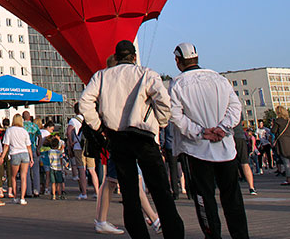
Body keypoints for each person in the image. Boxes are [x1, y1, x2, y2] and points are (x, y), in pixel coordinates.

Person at [77, 39, 183, 239]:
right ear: (134, 57)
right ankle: (174, 232)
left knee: (130, 194)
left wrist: (99, 127)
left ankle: (139, 234)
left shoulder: (101, 76)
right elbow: (163, 101)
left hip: (117, 138)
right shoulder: (146, 73)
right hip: (144, 137)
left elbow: (85, 103)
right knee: (161, 191)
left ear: (115, 58)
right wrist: (160, 121)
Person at [167, 41, 249, 239]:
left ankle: (212, 235)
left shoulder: (177, 84)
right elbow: (235, 108)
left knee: (205, 199)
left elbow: (176, 116)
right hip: (225, 148)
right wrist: (222, 128)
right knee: (233, 198)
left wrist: (200, 132)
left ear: (178, 61)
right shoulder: (219, 79)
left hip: (198, 150)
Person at [4, 113, 32, 204]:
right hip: (24, 153)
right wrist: (31, 158)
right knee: (24, 176)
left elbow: (6, 145)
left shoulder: (9, 130)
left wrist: (2, 156)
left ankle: (15, 196)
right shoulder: (24, 131)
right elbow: (29, 146)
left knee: (13, 176)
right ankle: (22, 198)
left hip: (14, 153)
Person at [66, 103, 89, 200]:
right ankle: (97, 190)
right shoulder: (88, 118)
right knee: (92, 170)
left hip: (78, 146)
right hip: (89, 147)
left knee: (81, 169)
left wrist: (70, 143)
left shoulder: (73, 120)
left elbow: (68, 131)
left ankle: (84, 192)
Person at [272, 106, 290, 186]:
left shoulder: (278, 121)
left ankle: (289, 178)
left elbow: (273, 131)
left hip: (283, 141)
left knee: (286, 161)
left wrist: (273, 124)